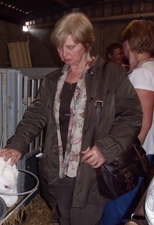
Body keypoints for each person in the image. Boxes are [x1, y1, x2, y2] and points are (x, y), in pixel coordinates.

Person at [0, 12, 143, 225]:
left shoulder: (111, 74)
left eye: (71, 47)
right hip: (57, 169)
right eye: (59, 47)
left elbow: (131, 115)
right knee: (62, 215)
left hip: (90, 172)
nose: (63, 53)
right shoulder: (52, 80)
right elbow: (35, 115)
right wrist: (17, 145)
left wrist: (106, 147)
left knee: (84, 219)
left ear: (87, 43)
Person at [100, 19, 154, 225]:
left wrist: (120, 156)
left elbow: (143, 123)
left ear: (129, 43)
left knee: (117, 204)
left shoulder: (142, 74)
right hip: (144, 150)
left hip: (132, 152)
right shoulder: (147, 69)